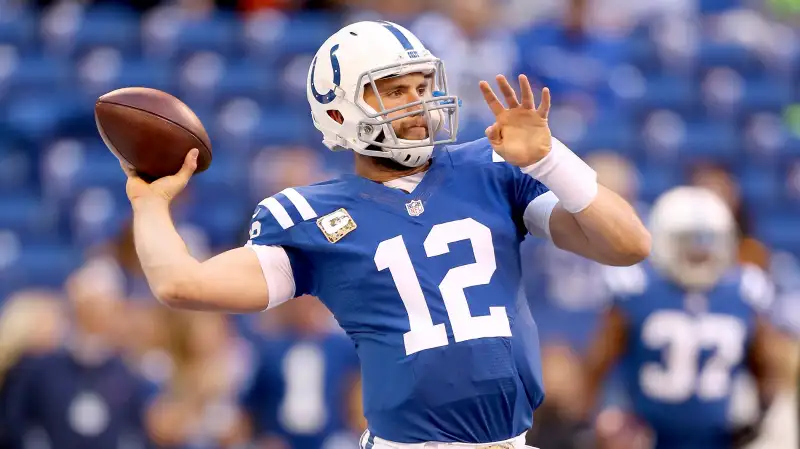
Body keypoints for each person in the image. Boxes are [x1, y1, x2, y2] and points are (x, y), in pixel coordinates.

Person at [119, 21, 650, 448]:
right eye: (394, 92)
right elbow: (181, 285)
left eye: (422, 86)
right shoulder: (311, 216)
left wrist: (551, 159)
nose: (417, 104)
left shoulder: (491, 168)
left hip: (512, 440)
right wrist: (149, 204)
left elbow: (628, 246)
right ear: (338, 110)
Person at [582, 186, 792, 449]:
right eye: (687, 243)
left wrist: (757, 419)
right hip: (643, 438)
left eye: (707, 242)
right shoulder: (636, 288)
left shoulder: (746, 289)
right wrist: (594, 420)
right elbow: (597, 364)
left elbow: (767, 366)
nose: (699, 253)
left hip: (718, 438)